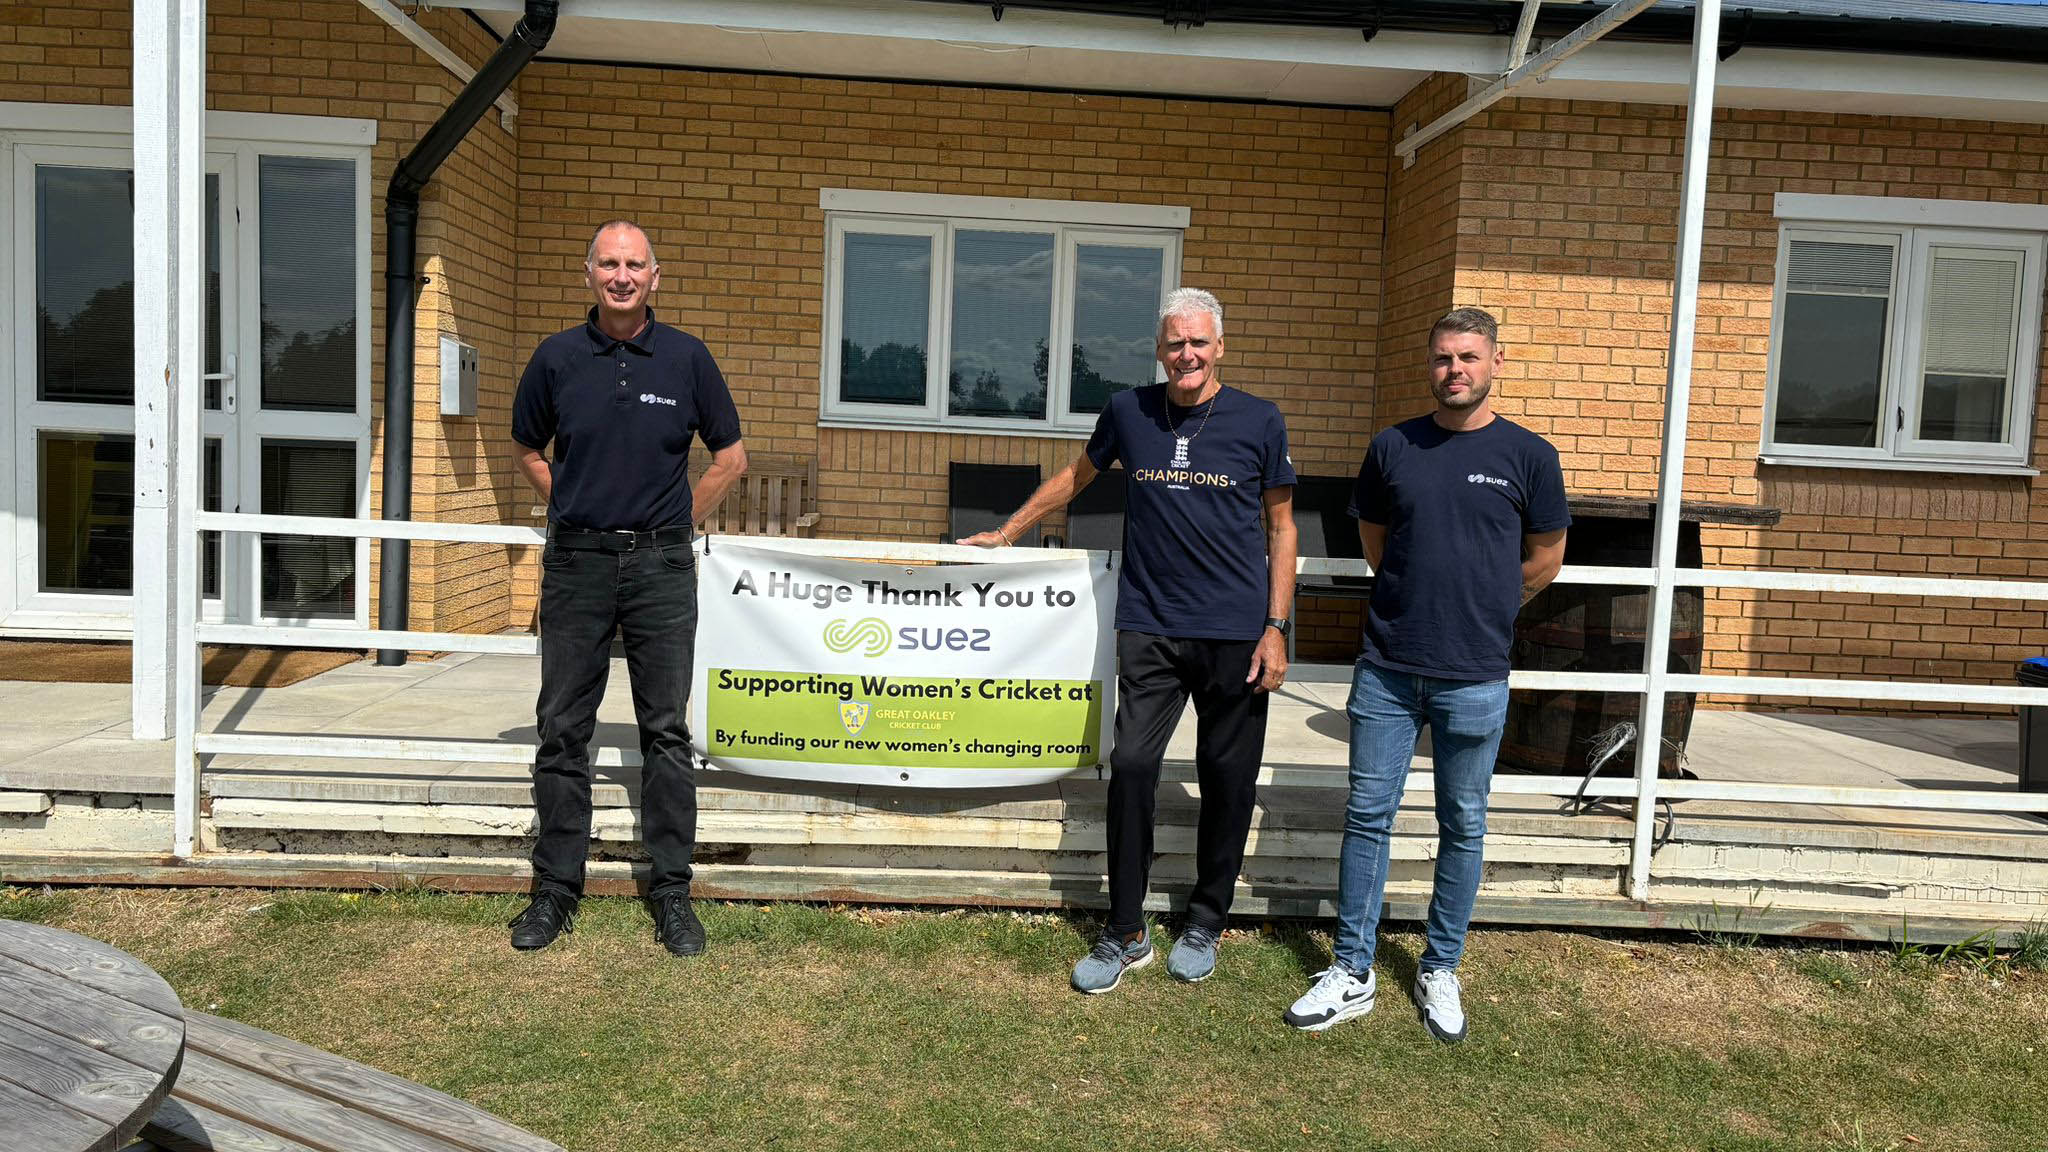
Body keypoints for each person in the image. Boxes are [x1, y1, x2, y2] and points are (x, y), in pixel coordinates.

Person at [960, 287, 1297, 993]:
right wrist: (1009, 532)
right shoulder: (1127, 411)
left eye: (1199, 342)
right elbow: (1076, 477)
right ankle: (1125, 929)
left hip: (1235, 632)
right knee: (1134, 766)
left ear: (1220, 346)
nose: (1187, 354)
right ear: (1159, 349)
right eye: (1175, 343)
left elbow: (1282, 527)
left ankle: (1206, 919)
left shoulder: (1260, 419)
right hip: (1149, 623)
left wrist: (1275, 627)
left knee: (1227, 777)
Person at [1284, 307, 1567, 1041]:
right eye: (1443, 357)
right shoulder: (1393, 447)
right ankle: (1352, 969)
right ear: (1430, 364)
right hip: (1388, 667)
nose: (1455, 370)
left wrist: (1488, 605)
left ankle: (1440, 966)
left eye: (1468, 357)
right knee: (1367, 817)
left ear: (1496, 362)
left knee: (1462, 823)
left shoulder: (1530, 456)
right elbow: (1377, 544)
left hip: (1474, 672)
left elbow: (1545, 559)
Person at [507, 220, 747, 956]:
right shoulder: (555, 358)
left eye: (634, 264)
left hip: (659, 568)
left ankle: (672, 891)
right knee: (562, 729)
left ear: (654, 276)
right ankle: (555, 890)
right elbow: (527, 446)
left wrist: (675, 524)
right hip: (577, 563)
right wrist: (570, 503)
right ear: (588, 273)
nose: (621, 276)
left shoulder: (687, 358)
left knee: (667, 730)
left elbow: (730, 458)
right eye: (608, 264)